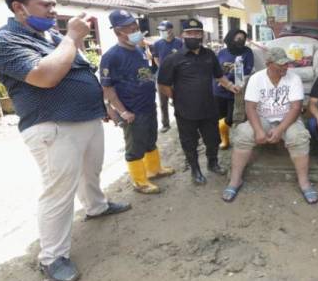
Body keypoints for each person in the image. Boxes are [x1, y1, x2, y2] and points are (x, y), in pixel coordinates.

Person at [0, 0, 130, 281]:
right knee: (59, 192)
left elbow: (80, 73)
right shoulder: (3, 41)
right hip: (53, 126)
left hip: (87, 118)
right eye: (46, 5)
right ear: (19, 8)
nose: (54, 10)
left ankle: (96, 206)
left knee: (92, 172)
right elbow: (46, 76)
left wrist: (102, 105)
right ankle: (52, 257)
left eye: (54, 4)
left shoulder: (52, 36)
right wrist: (73, 37)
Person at [222, 47, 318, 204]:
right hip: (263, 118)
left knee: (299, 137)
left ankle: (304, 182)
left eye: (286, 64)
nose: (285, 67)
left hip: (288, 119)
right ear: (268, 64)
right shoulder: (256, 79)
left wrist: (280, 129)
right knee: (243, 135)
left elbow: (295, 108)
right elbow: (250, 107)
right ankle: (235, 180)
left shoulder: (293, 78)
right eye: (280, 64)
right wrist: (259, 131)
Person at [157, 19, 241, 185]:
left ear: (202, 35)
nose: (194, 36)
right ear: (183, 35)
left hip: (209, 107)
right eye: (190, 33)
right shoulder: (173, 59)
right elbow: (163, 85)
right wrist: (178, 98)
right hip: (185, 111)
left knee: (213, 139)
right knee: (189, 142)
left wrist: (231, 86)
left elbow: (219, 76)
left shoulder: (209, 55)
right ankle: (195, 170)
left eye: (197, 33)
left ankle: (212, 163)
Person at [100, 10, 175, 195]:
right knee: (134, 147)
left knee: (150, 140)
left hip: (148, 106)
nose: (136, 31)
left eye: (136, 27)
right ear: (118, 32)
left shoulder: (139, 50)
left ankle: (154, 169)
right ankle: (140, 181)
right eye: (130, 28)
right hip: (132, 111)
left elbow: (145, 74)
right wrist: (122, 111)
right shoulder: (111, 56)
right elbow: (107, 88)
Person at [214, 28, 254, 149]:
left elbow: (248, 69)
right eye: (237, 38)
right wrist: (222, 80)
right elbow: (216, 70)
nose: (240, 41)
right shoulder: (222, 52)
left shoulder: (247, 52)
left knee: (231, 118)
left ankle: (227, 134)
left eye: (242, 39)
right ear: (231, 38)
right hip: (218, 90)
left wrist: (233, 73)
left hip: (236, 91)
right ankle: (224, 140)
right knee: (219, 116)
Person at [151, 20, 183, 133]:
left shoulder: (180, 43)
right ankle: (165, 124)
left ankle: (182, 121)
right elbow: (155, 59)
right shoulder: (157, 44)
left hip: (177, 76)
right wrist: (165, 70)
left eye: (163, 30)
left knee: (179, 100)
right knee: (162, 102)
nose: (161, 32)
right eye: (160, 30)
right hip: (162, 77)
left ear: (170, 30)